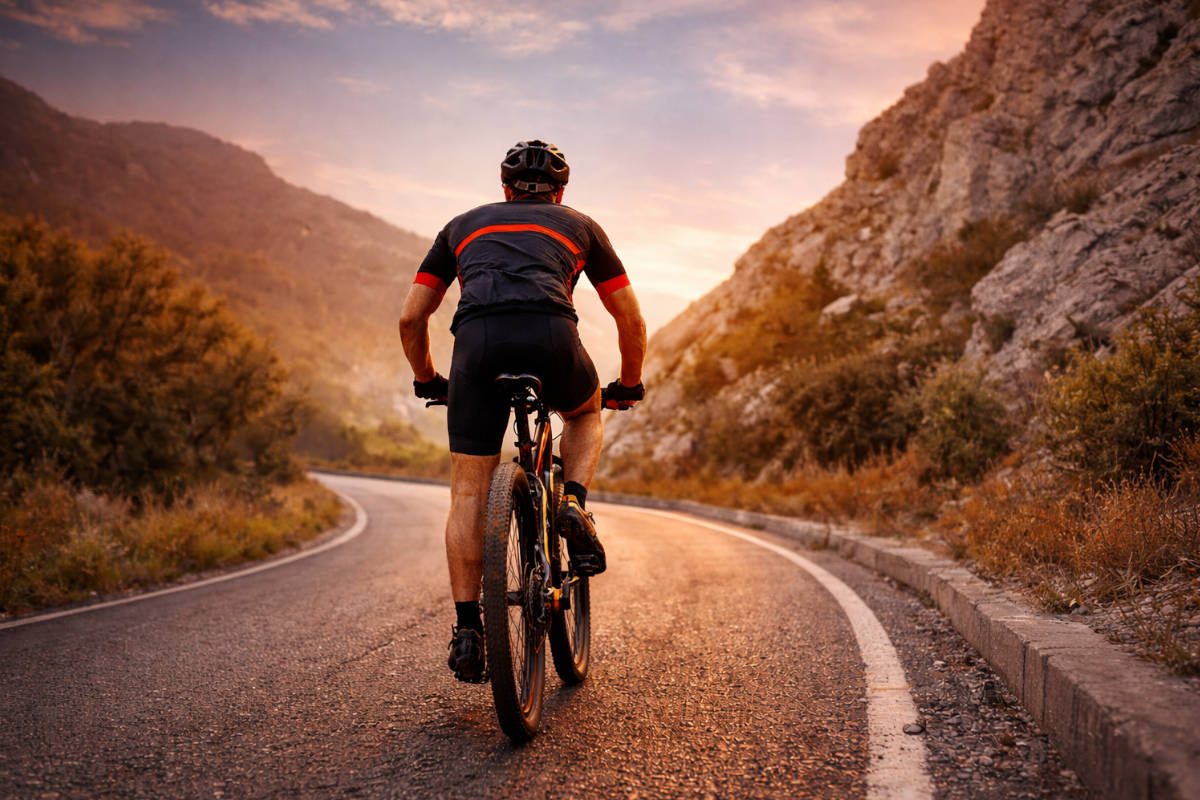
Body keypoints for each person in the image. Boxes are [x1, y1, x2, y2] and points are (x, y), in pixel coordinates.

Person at [397, 139, 647, 683]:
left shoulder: (461, 226)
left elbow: (411, 319)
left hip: (476, 347)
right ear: (561, 192)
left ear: (505, 188)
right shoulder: (580, 226)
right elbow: (629, 317)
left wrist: (427, 380)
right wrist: (628, 384)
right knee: (584, 413)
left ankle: (468, 631)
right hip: (551, 337)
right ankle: (574, 505)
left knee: (468, 492)